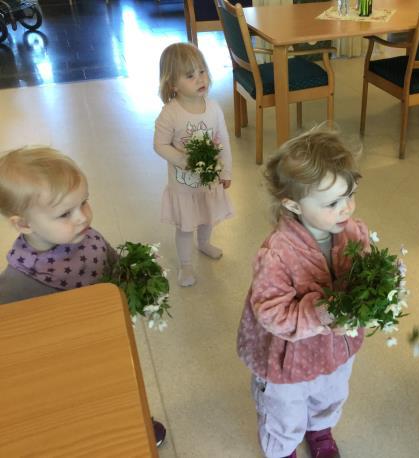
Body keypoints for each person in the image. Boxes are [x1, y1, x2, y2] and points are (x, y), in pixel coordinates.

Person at [0, 147, 168, 448]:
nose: (82, 217)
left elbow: (111, 261)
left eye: (84, 202)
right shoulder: (17, 285)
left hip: (109, 341)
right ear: (24, 224)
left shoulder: (85, 236)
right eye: (65, 213)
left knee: (123, 386)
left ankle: (137, 421)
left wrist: (137, 277)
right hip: (66, 367)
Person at [237, 128, 370, 458]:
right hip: (287, 360)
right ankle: (282, 449)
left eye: (349, 194)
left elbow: (365, 268)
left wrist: (382, 281)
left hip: (336, 347)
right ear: (293, 203)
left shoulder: (352, 232)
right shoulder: (277, 254)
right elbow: (271, 312)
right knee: (285, 410)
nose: (346, 208)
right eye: (333, 203)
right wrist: (322, 313)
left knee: (330, 392)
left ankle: (320, 429)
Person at [154, 42, 233, 287]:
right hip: (184, 185)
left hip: (208, 181)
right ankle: (185, 264)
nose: (200, 79)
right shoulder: (171, 113)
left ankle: (204, 243)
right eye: (190, 75)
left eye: (202, 72)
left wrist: (226, 170)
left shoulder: (214, 108)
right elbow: (160, 145)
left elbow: (224, 141)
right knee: (186, 226)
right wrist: (183, 160)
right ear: (172, 84)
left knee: (208, 217)